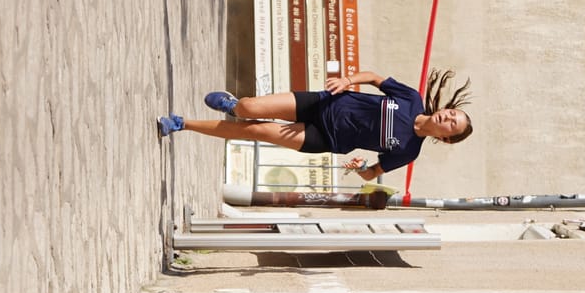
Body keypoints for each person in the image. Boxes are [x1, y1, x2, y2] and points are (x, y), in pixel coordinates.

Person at [158, 69, 474, 181]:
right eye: (451, 114)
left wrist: (360, 167)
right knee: (248, 108)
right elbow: (376, 78)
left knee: (253, 131)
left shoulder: (407, 151)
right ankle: (233, 105)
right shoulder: (411, 98)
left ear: (446, 139)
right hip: (323, 103)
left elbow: (371, 173)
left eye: (452, 126)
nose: (447, 118)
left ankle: (181, 124)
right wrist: (349, 80)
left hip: (322, 137)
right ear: (445, 109)